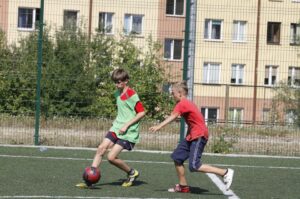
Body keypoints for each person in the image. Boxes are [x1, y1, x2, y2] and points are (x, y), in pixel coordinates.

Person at [149, 81, 234, 193]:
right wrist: (188, 136)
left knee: (194, 166)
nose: (172, 95)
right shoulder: (187, 103)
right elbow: (194, 121)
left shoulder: (182, 103)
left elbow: (173, 116)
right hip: (192, 136)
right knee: (177, 158)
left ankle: (225, 172)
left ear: (180, 93)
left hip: (199, 136)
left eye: (173, 93)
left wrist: (159, 126)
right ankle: (183, 186)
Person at [77, 68, 146, 188]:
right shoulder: (117, 93)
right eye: (115, 82)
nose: (117, 84)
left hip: (128, 132)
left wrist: (126, 125)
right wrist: (120, 123)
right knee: (101, 148)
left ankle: (132, 173)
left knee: (111, 157)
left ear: (126, 81)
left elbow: (141, 112)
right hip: (116, 127)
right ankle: (89, 180)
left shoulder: (132, 94)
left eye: (119, 82)